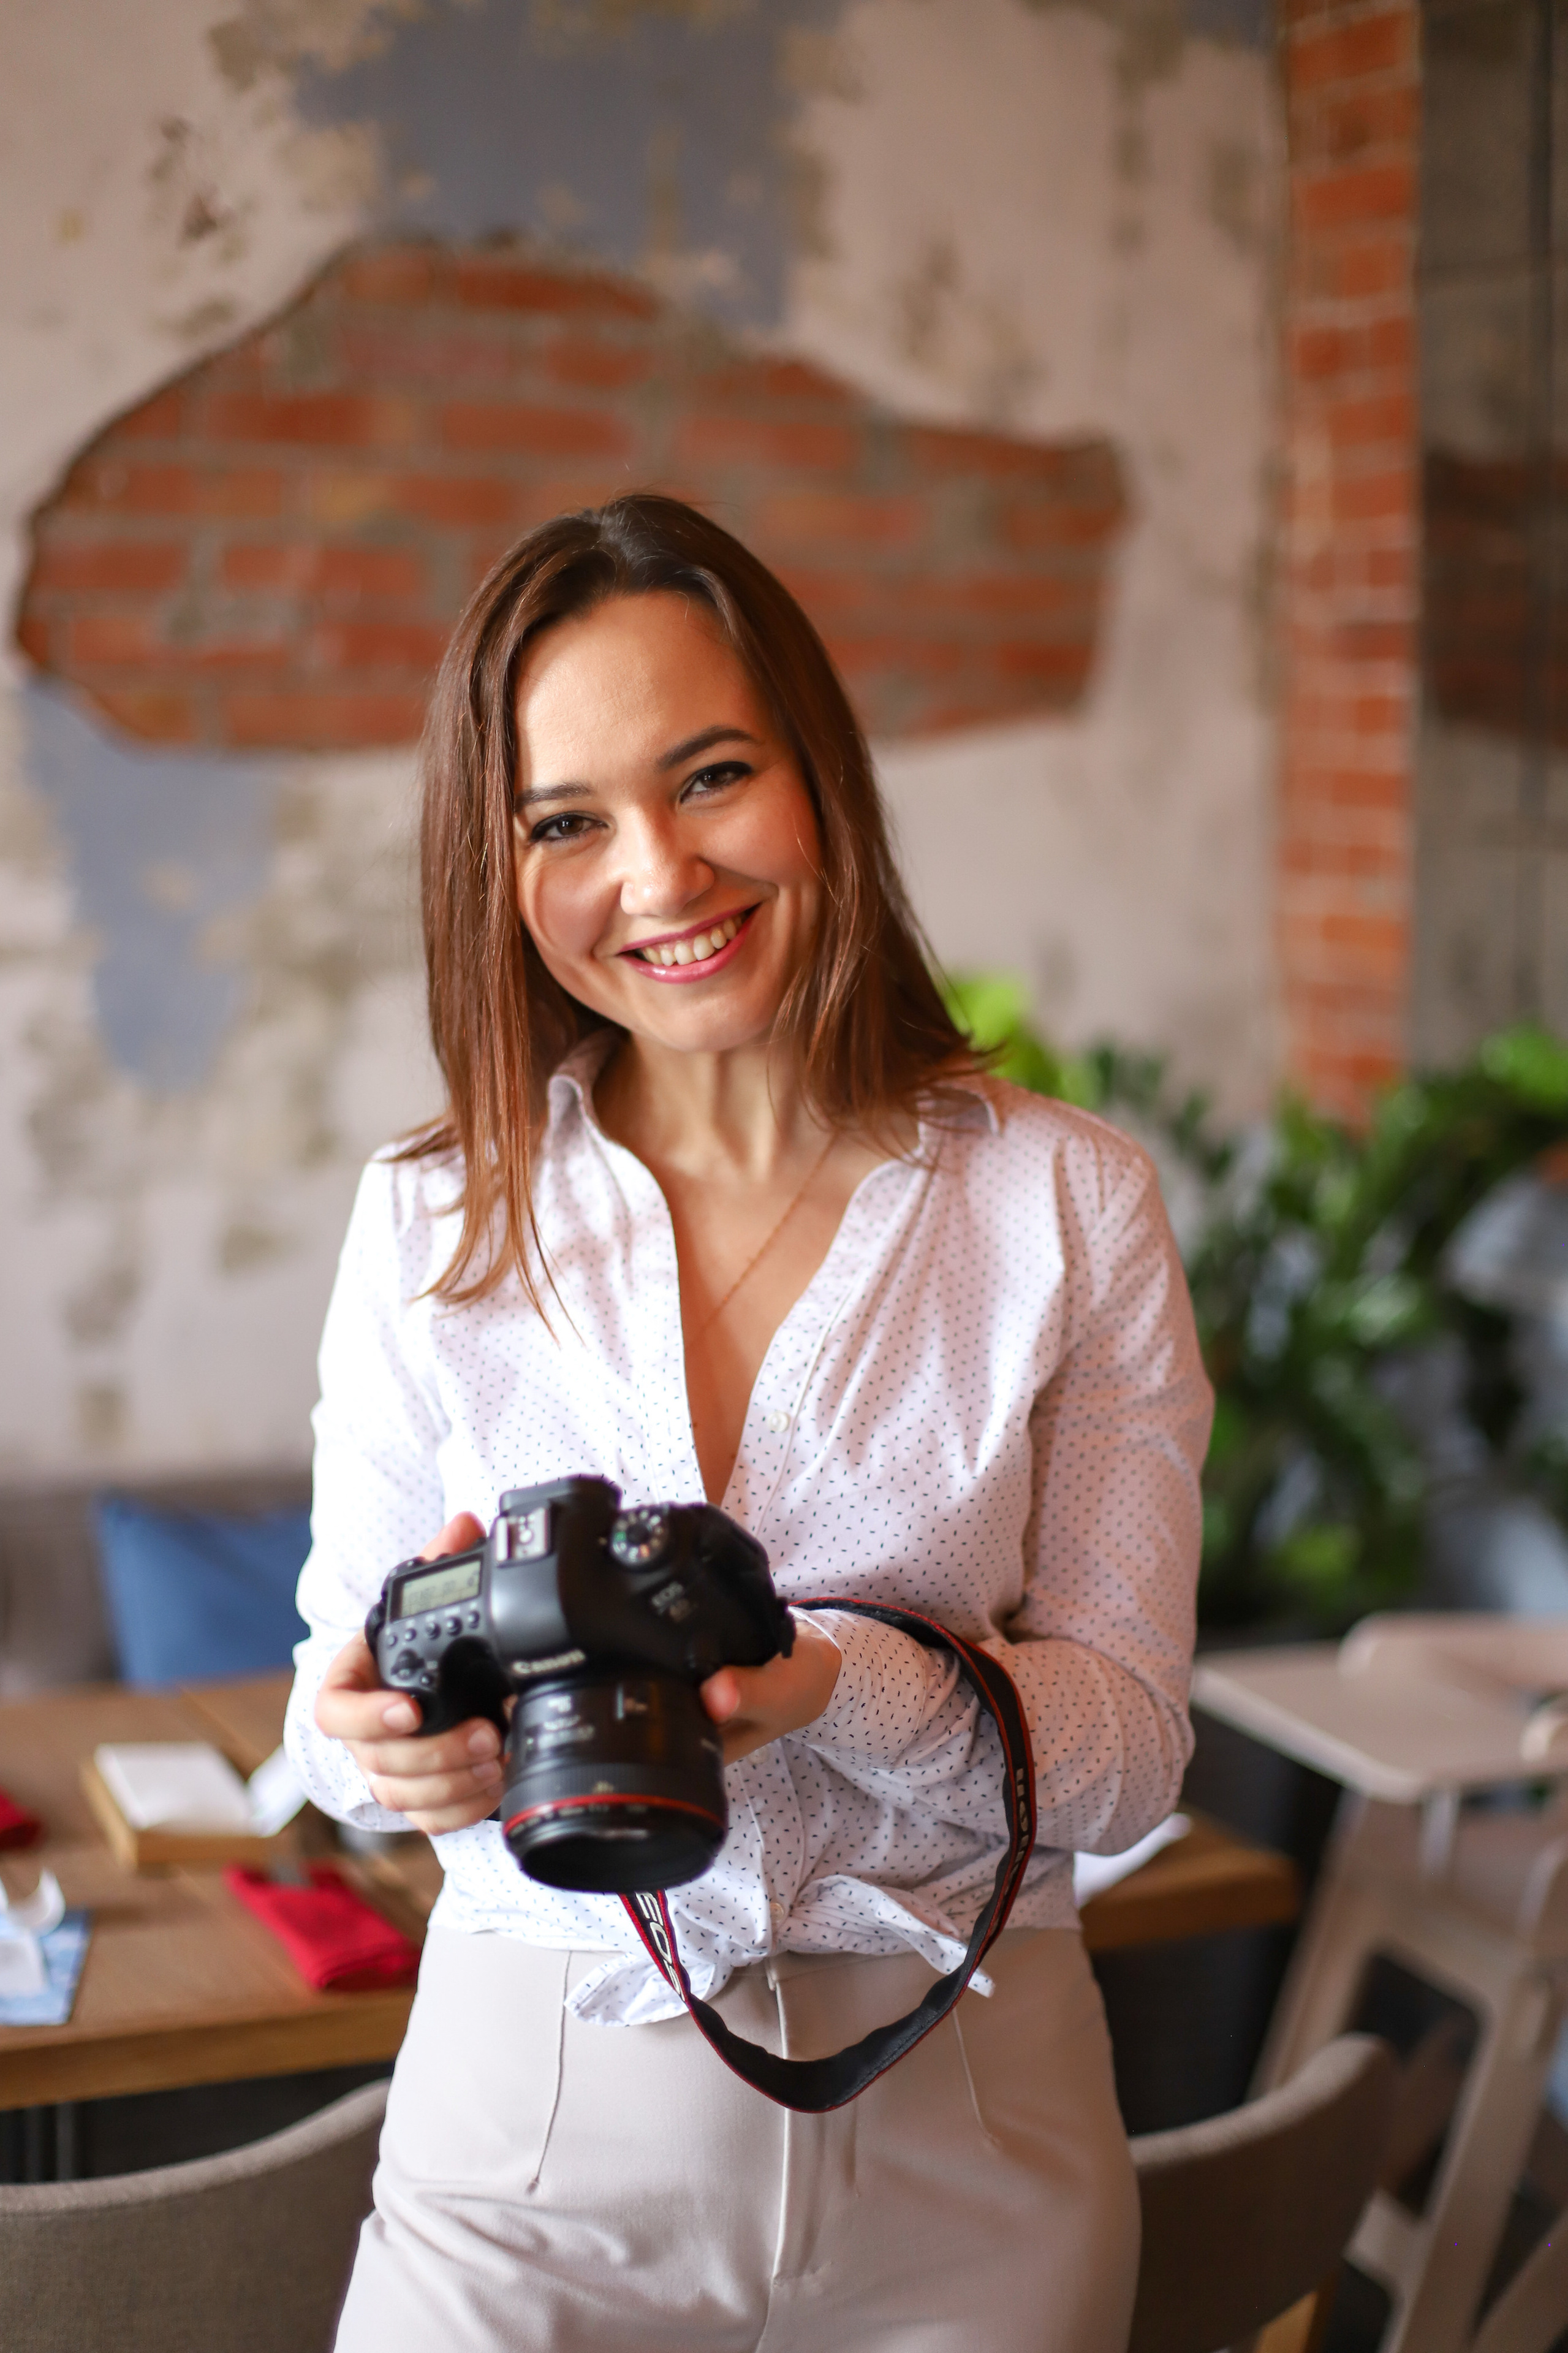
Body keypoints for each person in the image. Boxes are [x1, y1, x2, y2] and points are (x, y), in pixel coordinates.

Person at [284, 493, 1211, 2353]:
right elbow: (329, 1696)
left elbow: (1127, 1758)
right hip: (532, 2139)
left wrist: (830, 1685)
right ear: (498, 860)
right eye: (566, 821)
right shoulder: (430, 1216)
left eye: (710, 777)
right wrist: (380, 1743)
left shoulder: (1064, 1204)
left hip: (972, 2125)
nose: (660, 875)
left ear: (820, 773)